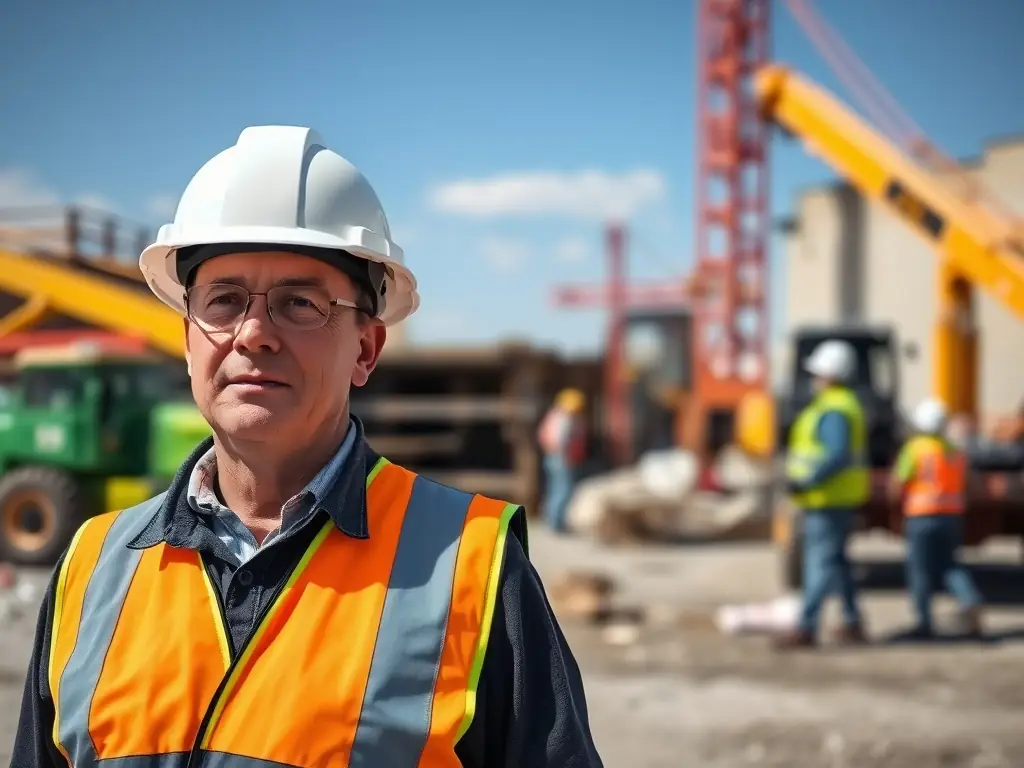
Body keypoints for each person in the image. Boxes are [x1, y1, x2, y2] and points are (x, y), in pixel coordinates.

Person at [13, 126, 604, 768]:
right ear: (187, 341)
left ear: (366, 349)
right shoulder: (91, 568)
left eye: (300, 303)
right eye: (224, 300)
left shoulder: (474, 569)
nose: (254, 334)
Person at [775, 339, 871, 649]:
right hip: (833, 497)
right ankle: (853, 621)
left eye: (817, 372)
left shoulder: (834, 410)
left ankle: (806, 626)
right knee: (838, 561)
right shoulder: (836, 405)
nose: (814, 378)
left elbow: (836, 455)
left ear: (830, 375)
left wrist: (808, 482)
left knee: (820, 561)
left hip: (827, 498)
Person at [889, 397, 983, 639]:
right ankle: (969, 599)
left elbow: (898, 482)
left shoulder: (914, 448)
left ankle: (924, 622)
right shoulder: (953, 450)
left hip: (921, 516)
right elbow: (970, 483)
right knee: (950, 564)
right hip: (951, 517)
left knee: (920, 571)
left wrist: (896, 506)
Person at [537, 387, 587, 532]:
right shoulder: (564, 418)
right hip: (561, 458)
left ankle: (552, 520)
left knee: (555, 489)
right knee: (563, 490)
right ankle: (555, 523)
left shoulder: (554, 416)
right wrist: (567, 458)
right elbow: (561, 440)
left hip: (553, 457)